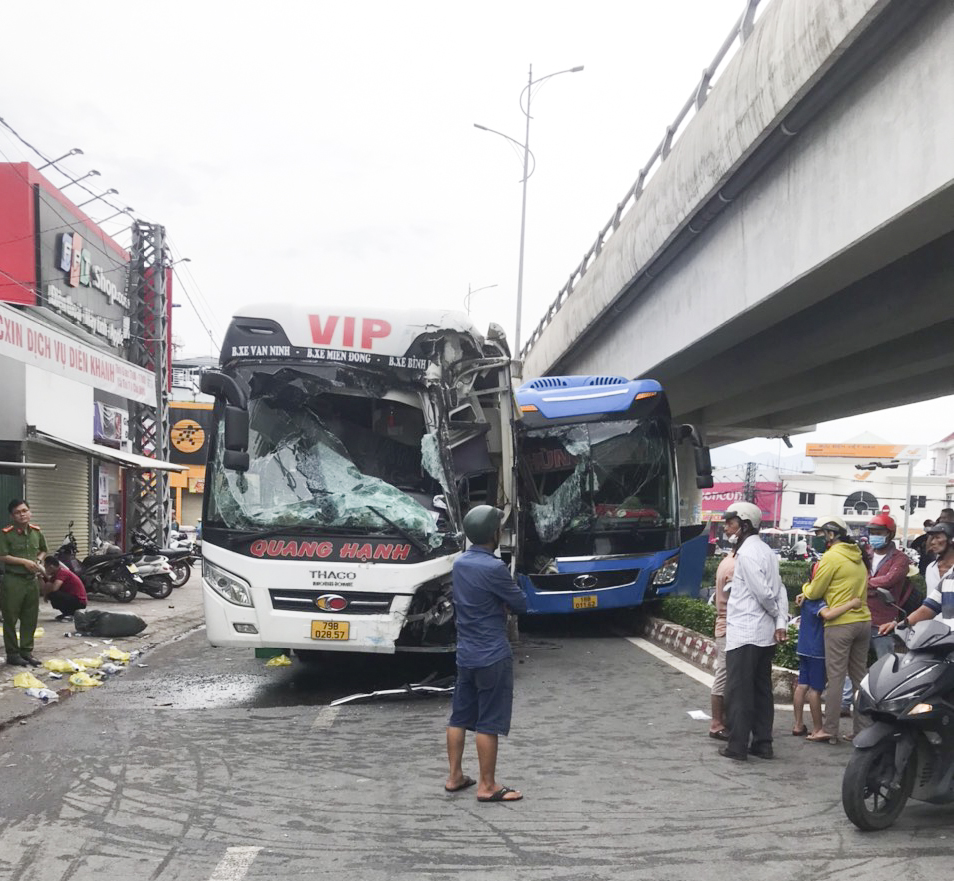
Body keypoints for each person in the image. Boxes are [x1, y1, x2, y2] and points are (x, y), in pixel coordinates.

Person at [445, 505, 528, 802]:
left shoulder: (460, 564)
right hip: (492, 653)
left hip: (465, 653)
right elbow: (520, 603)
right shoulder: (494, 568)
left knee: (459, 717)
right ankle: (487, 786)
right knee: (488, 722)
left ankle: (455, 776)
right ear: (494, 533)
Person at [719, 502, 788, 761]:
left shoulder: (747, 554)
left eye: (731, 522)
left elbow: (765, 593)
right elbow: (780, 589)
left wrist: (775, 615)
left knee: (739, 691)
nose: (727, 527)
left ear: (745, 524)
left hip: (746, 632)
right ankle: (763, 743)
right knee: (761, 691)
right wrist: (779, 621)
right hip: (763, 635)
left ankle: (737, 746)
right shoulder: (767, 552)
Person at [801, 515, 870, 743]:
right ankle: (861, 730)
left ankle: (828, 729)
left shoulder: (831, 557)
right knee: (861, 680)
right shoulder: (858, 557)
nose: (818, 538)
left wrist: (804, 588)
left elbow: (815, 591)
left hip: (840, 624)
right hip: (863, 622)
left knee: (836, 678)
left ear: (831, 534)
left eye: (820, 534)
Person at [792, 592, 864, 737]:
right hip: (817, 650)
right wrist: (851, 604)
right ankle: (818, 728)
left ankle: (798, 725)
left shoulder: (807, 597)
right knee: (815, 690)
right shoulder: (815, 599)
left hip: (804, 647)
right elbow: (828, 615)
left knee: (802, 685)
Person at [880, 520, 954, 637]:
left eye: (937, 538)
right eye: (931, 538)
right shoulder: (946, 580)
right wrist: (900, 624)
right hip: (940, 636)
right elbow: (928, 608)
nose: (932, 543)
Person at [0, 499, 47, 667]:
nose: (22, 514)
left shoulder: (36, 532)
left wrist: (39, 561)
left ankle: (26, 652)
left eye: (25, 510)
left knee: (30, 618)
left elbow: (43, 549)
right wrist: (24, 562)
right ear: (12, 516)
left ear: (30, 512)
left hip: (31, 581)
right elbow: (2, 556)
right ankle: (12, 654)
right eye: (18, 512)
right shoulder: (6, 533)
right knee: (10, 618)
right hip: (13, 580)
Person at [864, 513, 912, 659]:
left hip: (884, 623)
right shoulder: (865, 554)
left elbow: (889, 580)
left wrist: (865, 584)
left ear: (890, 534)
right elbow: (854, 577)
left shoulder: (900, 559)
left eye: (879, 533)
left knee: (885, 664)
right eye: (872, 533)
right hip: (861, 618)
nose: (874, 536)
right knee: (856, 666)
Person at [707, 548, 734, 741]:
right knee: (724, 675)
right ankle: (716, 723)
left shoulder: (727, 561)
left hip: (726, 625)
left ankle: (723, 719)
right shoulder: (734, 566)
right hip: (729, 627)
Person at [41, 557, 87, 621]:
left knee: (54, 594)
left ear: (51, 567)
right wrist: (40, 577)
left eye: (46, 568)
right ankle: (67, 613)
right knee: (50, 591)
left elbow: (54, 588)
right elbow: (45, 588)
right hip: (72, 599)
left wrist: (47, 593)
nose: (46, 570)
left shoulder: (62, 572)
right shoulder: (55, 575)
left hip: (79, 601)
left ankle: (71, 614)